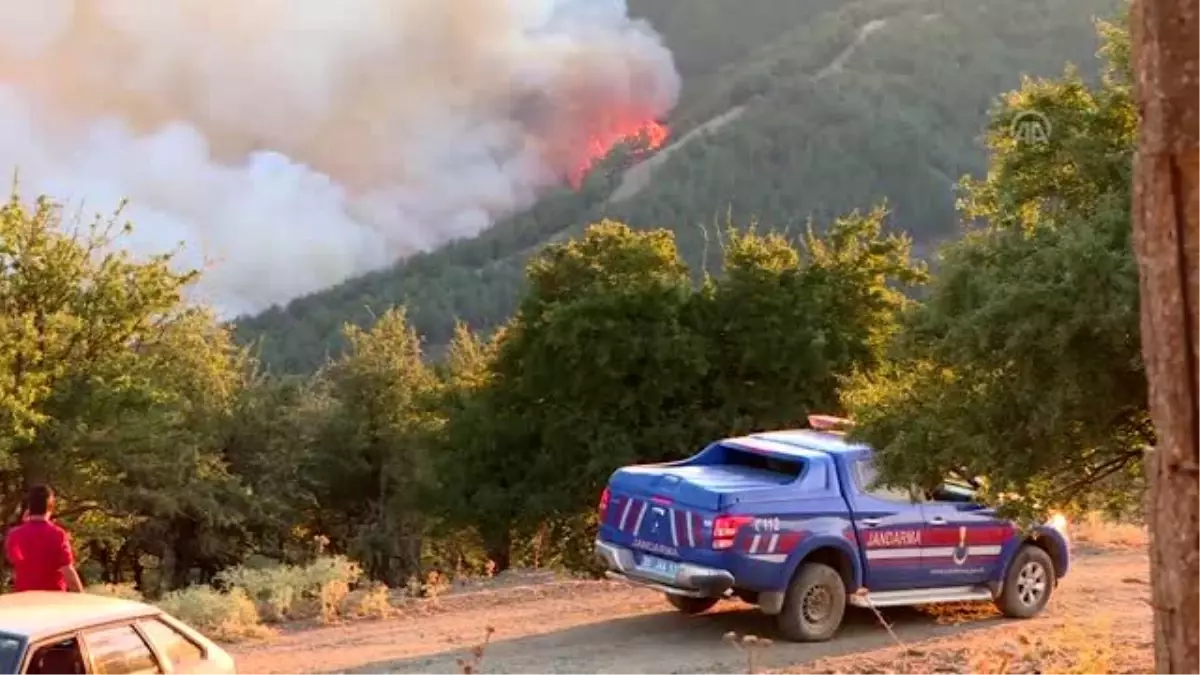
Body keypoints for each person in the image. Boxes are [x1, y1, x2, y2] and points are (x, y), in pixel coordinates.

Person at [4, 485, 83, 593]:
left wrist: (25, 525)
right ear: (51, 506)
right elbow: (67, 571)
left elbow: (18, 564)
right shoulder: (58, 534)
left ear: (29, 507)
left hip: (24, 598)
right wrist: (81, 597)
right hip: (52, 598)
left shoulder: (14, 535)